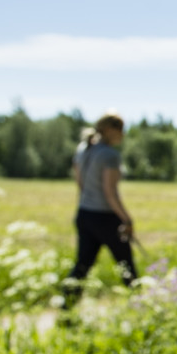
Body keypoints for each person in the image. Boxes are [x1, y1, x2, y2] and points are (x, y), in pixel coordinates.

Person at [63, 112, 137, 308]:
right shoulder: (109, 155)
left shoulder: (83, 150)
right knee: (126, 265)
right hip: (105, 217)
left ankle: (66, 309)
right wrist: (127, 219)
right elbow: (109, 192)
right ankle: (141, 307)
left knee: (82, 264)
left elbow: (80, 183)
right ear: (110, 130)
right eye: (120, 129)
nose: (123, 134)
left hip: (84, 213)